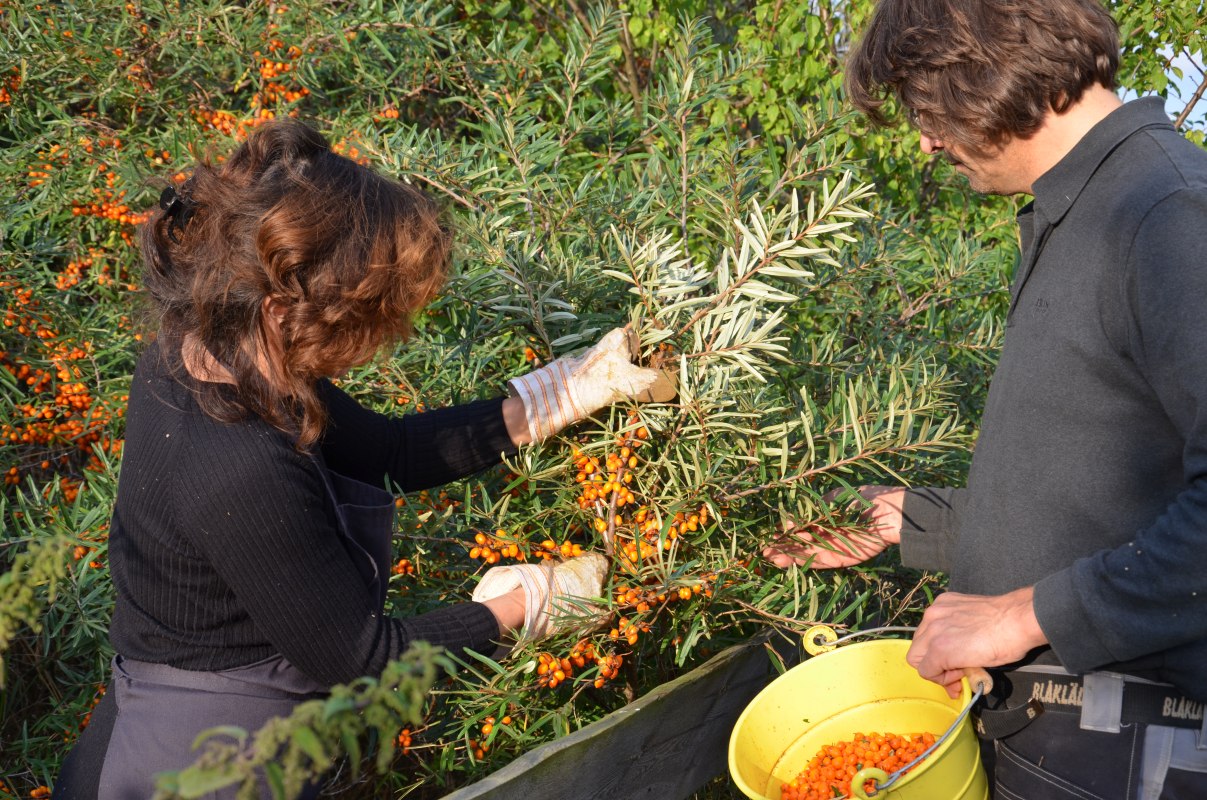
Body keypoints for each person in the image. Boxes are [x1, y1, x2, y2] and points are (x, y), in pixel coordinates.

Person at [53, 118, 673, 800]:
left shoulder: (205, 351)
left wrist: (560, 393)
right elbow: (363, 661)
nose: (383, 337)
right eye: (370, 315)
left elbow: (388, 452)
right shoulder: (241, 466)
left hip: (170, 710)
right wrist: (523, 606)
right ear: (285, 303)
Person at [764, 0, 1207, 797]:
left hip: (1134, 733)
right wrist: (915, 518)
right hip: (1065, 730)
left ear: (987, 70)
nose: (925, 141)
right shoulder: (1083, 210)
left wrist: (1020, 618)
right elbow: (1112, 491)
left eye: (924, 108)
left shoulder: (1168, 217)